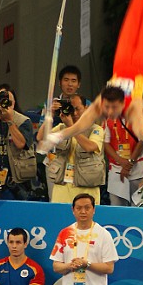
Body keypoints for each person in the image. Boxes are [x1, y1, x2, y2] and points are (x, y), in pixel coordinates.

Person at [39, 0, 143, 161]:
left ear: (120, 104)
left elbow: (141, 131)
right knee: (136, 23)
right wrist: (57, 136)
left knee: (140, 23)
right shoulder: (101, 103)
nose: (108, 112)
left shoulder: (133, 105)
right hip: (142, 63)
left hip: (123, 62)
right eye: (107, 108)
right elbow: (80, 126)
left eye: (112, 109)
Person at [37, 94, 105, 204]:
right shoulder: (61, 127)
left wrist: (71, 127)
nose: (75, 113)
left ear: (86, 108)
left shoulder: (96, 129)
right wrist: (51, 115)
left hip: (86, 189)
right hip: (62, 188)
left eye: (78, 109)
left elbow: (90, 147)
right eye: (72, 110)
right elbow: (40, 138)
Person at [38, 65, 86, 200]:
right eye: (66, 80)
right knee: (55, 200)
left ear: (79, 84)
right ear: (60, 83)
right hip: (54, 160)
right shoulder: (51, 103)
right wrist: (51, 114)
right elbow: (41, 137)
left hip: (78, 160)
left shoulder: (85, 104)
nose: (70, 84)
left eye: (73, 80)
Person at [103, 104, 143, 206]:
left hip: (138, 168)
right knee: (117, 209)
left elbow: (142, 140)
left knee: (138, 207)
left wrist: (129, 163)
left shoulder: (141, 111)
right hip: (116, 169)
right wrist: (120, 161)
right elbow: (105, 142)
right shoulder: (109, 112)